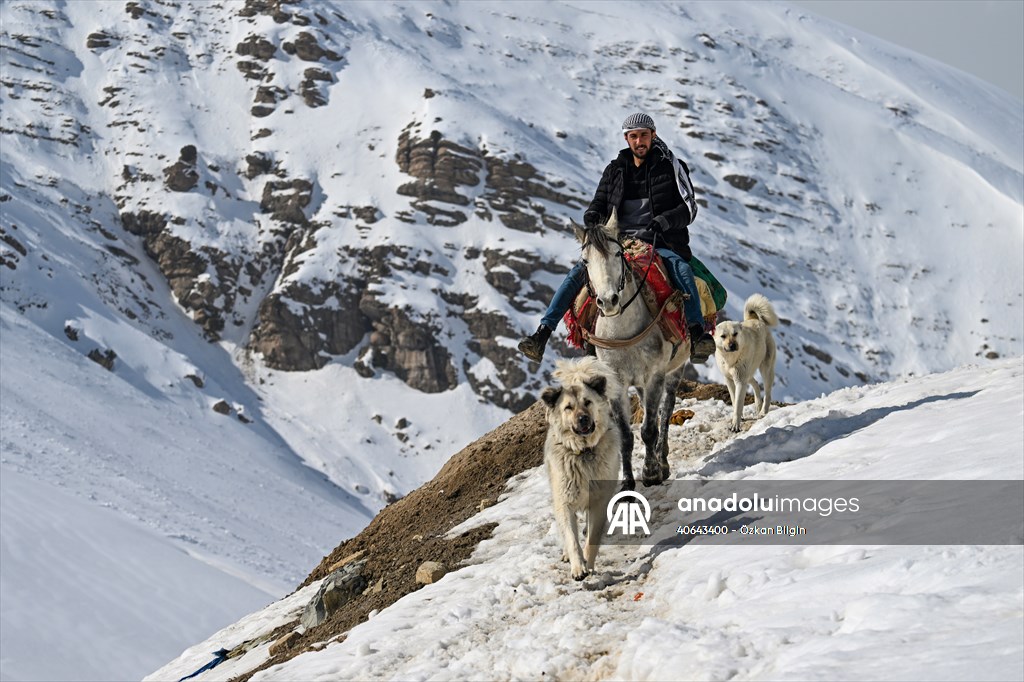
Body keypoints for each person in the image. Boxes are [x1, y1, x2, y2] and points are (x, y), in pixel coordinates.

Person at [518, 112, 716, 363]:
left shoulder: (672, 167)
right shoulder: (614, 170)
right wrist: (592, 215)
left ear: (653, 135)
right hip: (618, 242)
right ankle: (542, 335)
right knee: (579, 274)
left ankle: (697, 337)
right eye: (633, 136)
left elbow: (689, 208)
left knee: (682, 271)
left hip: (660, 240)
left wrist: (664, 221)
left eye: (644, 135)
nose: (639, 141)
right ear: (626, 139)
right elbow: (599, 201)